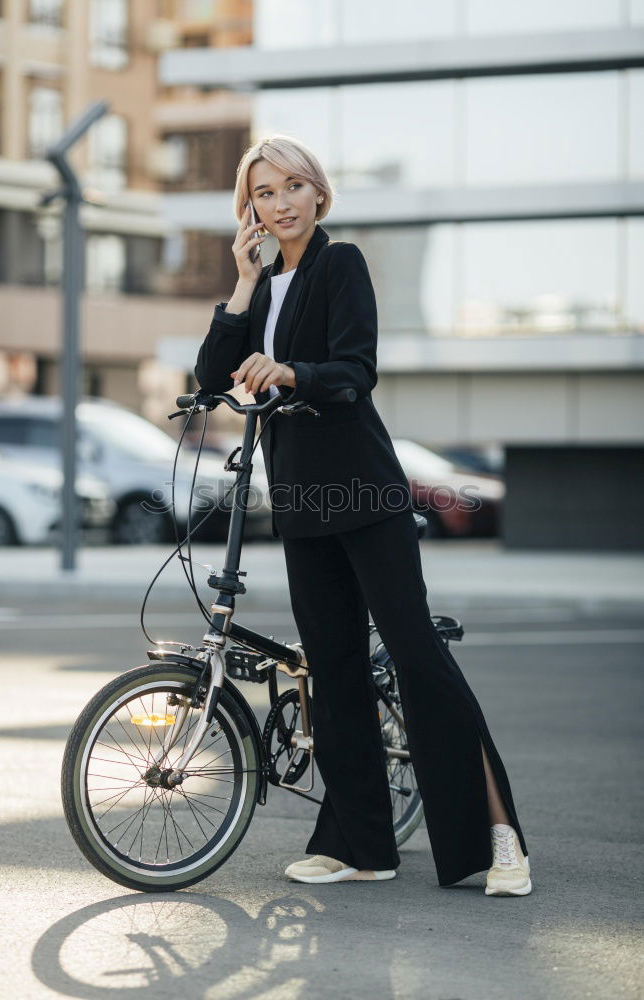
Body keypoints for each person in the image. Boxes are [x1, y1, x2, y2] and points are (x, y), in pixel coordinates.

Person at [195, 134, 532, 897]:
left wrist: (292, 371)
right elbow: (211, 375)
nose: (278, 203)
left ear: (318, 194)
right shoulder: (263, 285)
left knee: (418, 657)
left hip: (365, 491)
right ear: (247, 209)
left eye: (291, 187)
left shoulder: (338, 263)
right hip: (301, 500)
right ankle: (359, 846)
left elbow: (356, 368)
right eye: (262, 193)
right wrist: (243, 287)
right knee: (335, 669)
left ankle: (499, 838)